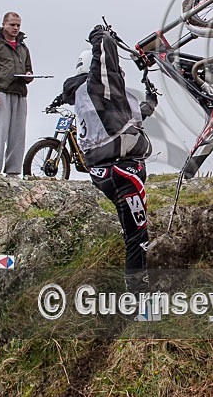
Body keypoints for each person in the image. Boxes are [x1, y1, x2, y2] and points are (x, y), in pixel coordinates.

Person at [60, 25, 158, 295]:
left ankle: (133, 292)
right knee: (138, 236)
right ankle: (138, 297)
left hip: (105, 171)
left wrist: (150, 102)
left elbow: (131, 117)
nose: (120, 75)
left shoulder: (91, 98)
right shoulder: (95, 86)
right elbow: (104, 58)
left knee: (132, 230)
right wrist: (101, 35)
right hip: (121, 170)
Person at [0, 12, 34, 176]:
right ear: (3, 24)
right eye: (12, 25)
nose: (16, 28)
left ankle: (13, 171)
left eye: (18, 25)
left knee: (18, 135)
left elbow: (28, 68)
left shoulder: (23, 47)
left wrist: (29, 75)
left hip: (20, 93)